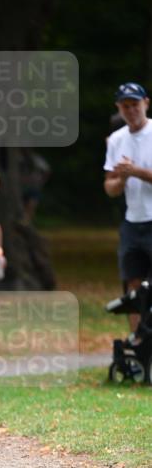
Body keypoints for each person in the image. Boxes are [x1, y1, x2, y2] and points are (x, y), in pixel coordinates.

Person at [104, 82, 152, 337]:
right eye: (125, 106)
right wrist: (122, 179)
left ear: (146, 103)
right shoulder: (116, 140)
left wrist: (137, 172)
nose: (131, 110)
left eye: (135, 105)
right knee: (133, 286)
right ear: (119, 108)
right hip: (132, 223)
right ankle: (137, 342)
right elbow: (109, 187)